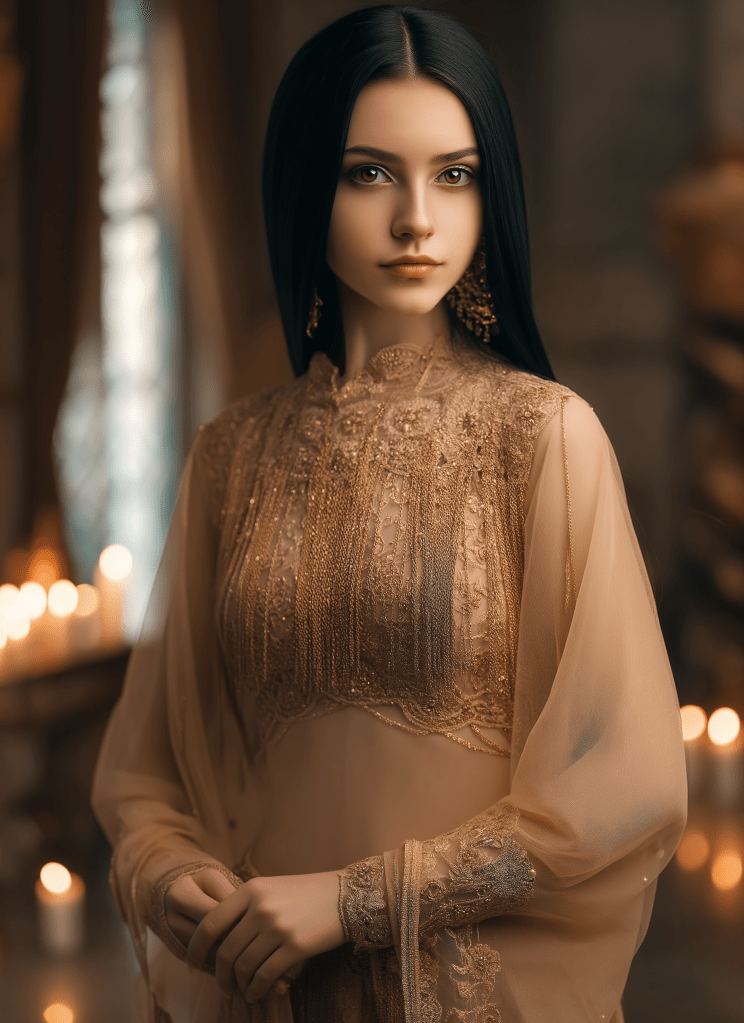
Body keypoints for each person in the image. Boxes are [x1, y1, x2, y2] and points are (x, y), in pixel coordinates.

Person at [91, 6, 688, 1022]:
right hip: (266, 989)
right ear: (304, 185)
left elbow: (630, 780)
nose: (418, 217)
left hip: (456, 992)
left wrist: (357, 901)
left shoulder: (544, 437)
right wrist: (166, 873)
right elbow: (145, 770)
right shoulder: (231, 456)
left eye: (454, 175)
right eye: (370, 173)